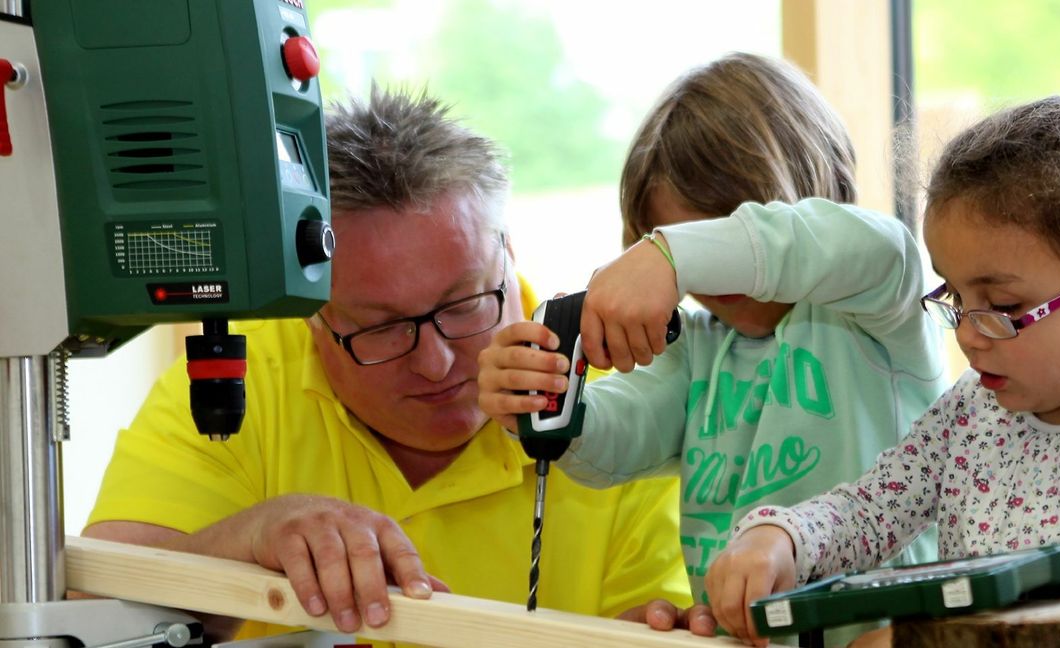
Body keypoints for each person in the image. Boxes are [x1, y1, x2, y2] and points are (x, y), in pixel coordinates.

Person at [81, 87, 691, 642]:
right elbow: (87, 613)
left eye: (463, 304)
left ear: (508, 256)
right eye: (381, 327)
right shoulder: (238, 384)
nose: (435, 362)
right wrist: (248, 540)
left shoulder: (625, 399)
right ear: (312, 316)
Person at [702, 94, 1060, 644]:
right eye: (955, 296)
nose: (969, 333)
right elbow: (869, 511)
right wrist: (780, 539)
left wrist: (919, 643)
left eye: (1005, 307)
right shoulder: (974, 408)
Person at [477, 52, 945, 640]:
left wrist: (674, 254)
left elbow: (855, 244)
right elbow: (620, 434)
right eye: (668, 240)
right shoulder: (699, 346)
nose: (712, 283)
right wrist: (546, 404)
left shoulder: (879, 300)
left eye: (717, 239)